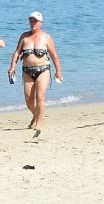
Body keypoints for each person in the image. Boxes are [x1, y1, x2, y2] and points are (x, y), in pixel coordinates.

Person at [7, 11, 63, 139]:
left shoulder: (46, 37)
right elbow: (17, 53)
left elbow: (54, 55)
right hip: (27, 71)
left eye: (35, 21)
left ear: (40, 23)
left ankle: (40, 123)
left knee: (40, 96)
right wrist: (12, 67)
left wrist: (58, 71)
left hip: (43, 70)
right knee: (28, 100)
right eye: (31, 21)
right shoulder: (24, 37)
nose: (33, 23)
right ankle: (36, 116)